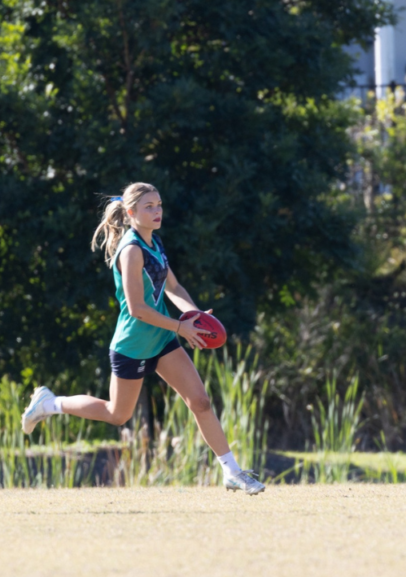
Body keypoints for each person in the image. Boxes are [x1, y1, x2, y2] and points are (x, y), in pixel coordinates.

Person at [21, 182, 265, 494]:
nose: (157, 211)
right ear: (131, 212)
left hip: (162, 338)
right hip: (133, 345)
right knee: (117, 415)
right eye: (149, 206)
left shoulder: (154, 243)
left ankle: (232, 472)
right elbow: (137, 309)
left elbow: (174, 288)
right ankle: (50, 403)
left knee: (200, 402)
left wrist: (194, 316)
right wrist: (180, 327)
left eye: (159, 204)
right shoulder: (131, 251)